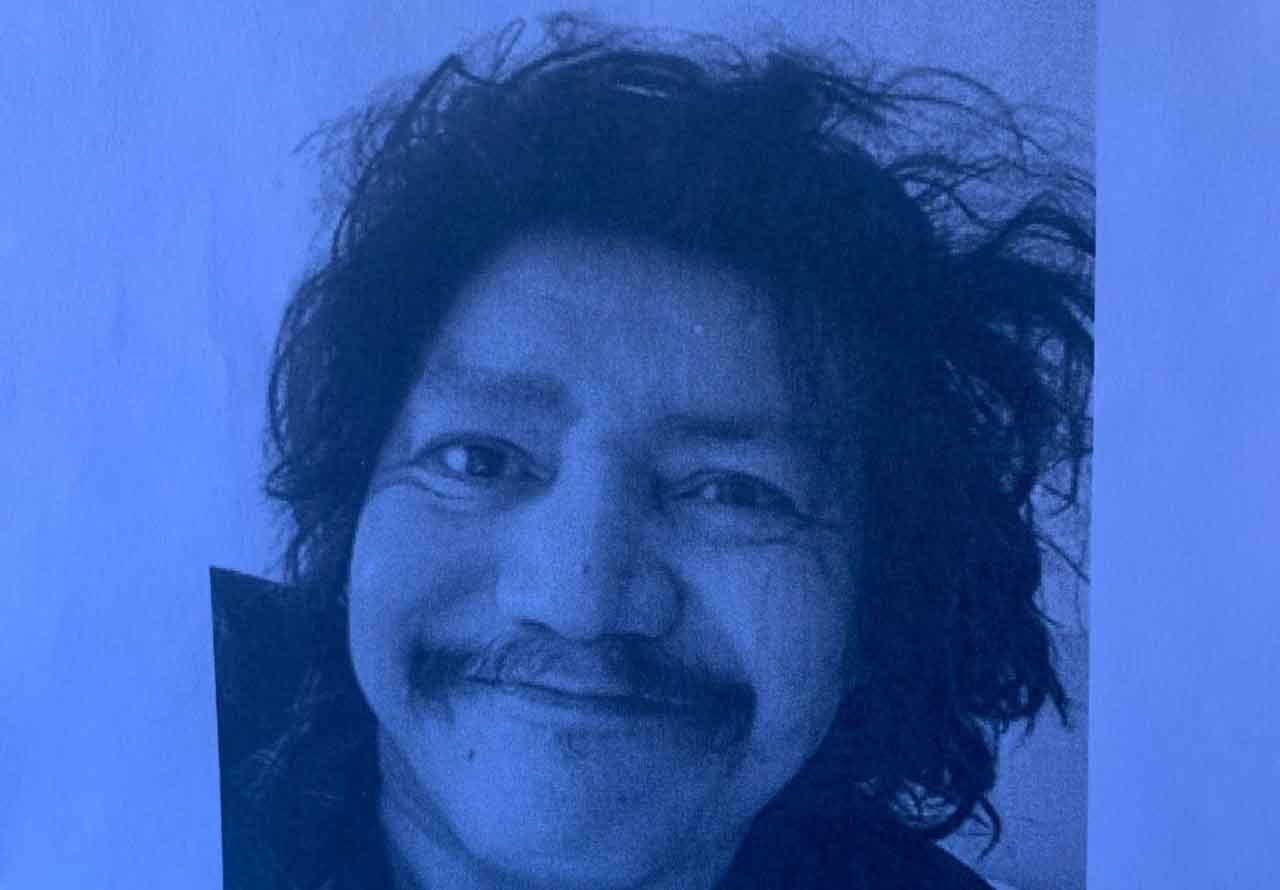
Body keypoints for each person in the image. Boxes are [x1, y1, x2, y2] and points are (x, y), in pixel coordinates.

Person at [211, 15, 1093, 890]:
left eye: (733, 491)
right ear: (351, 521)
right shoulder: (146, 763)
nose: (581, 600)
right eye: (478, 459)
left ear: (877, 599)